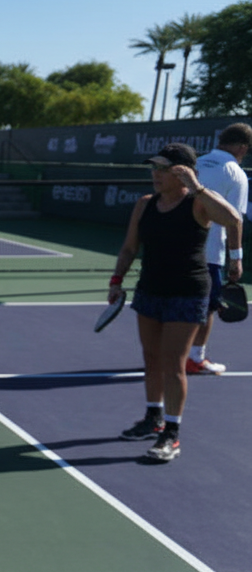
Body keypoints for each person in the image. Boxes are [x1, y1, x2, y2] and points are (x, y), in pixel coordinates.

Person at [111, 143, 242, 461]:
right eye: (153, 167)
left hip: (187, 292)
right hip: (150, 291)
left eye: (163, 168)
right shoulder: (144, 205)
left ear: (182, 172)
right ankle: (153, 418)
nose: (155, 174)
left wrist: (197, 187)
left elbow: (233, 219)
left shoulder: (199, 204)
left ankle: (172, 434)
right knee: (152, 358)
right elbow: (129, 248)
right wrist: (116, 281)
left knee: (173, 363)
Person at [186, 123, 251, 374]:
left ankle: (171, 353)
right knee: (208, 307)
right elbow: (235, 219)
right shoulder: (236, 173)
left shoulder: (196, 164)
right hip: (210, 254)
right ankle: (195, 358)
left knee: (173, 301)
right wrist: (236, 259)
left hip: (178, 249)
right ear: (242, 147)